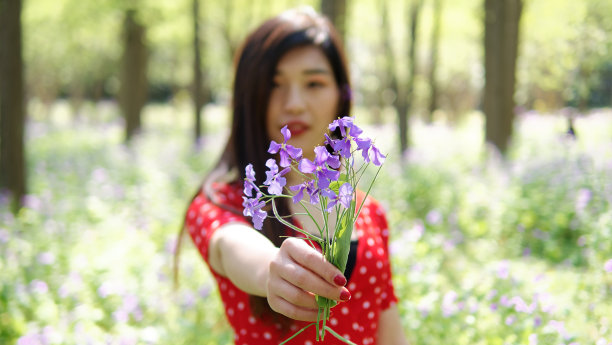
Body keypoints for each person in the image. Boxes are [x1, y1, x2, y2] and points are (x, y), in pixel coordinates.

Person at [175, 7, 408, 345]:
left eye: (314, 83)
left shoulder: (368, 213)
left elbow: (391, 334)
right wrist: (274, 267)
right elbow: (233, 246)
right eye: (274, 85)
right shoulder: (226, 203)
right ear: (248, 98)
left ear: (341, 94)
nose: (294, 103)